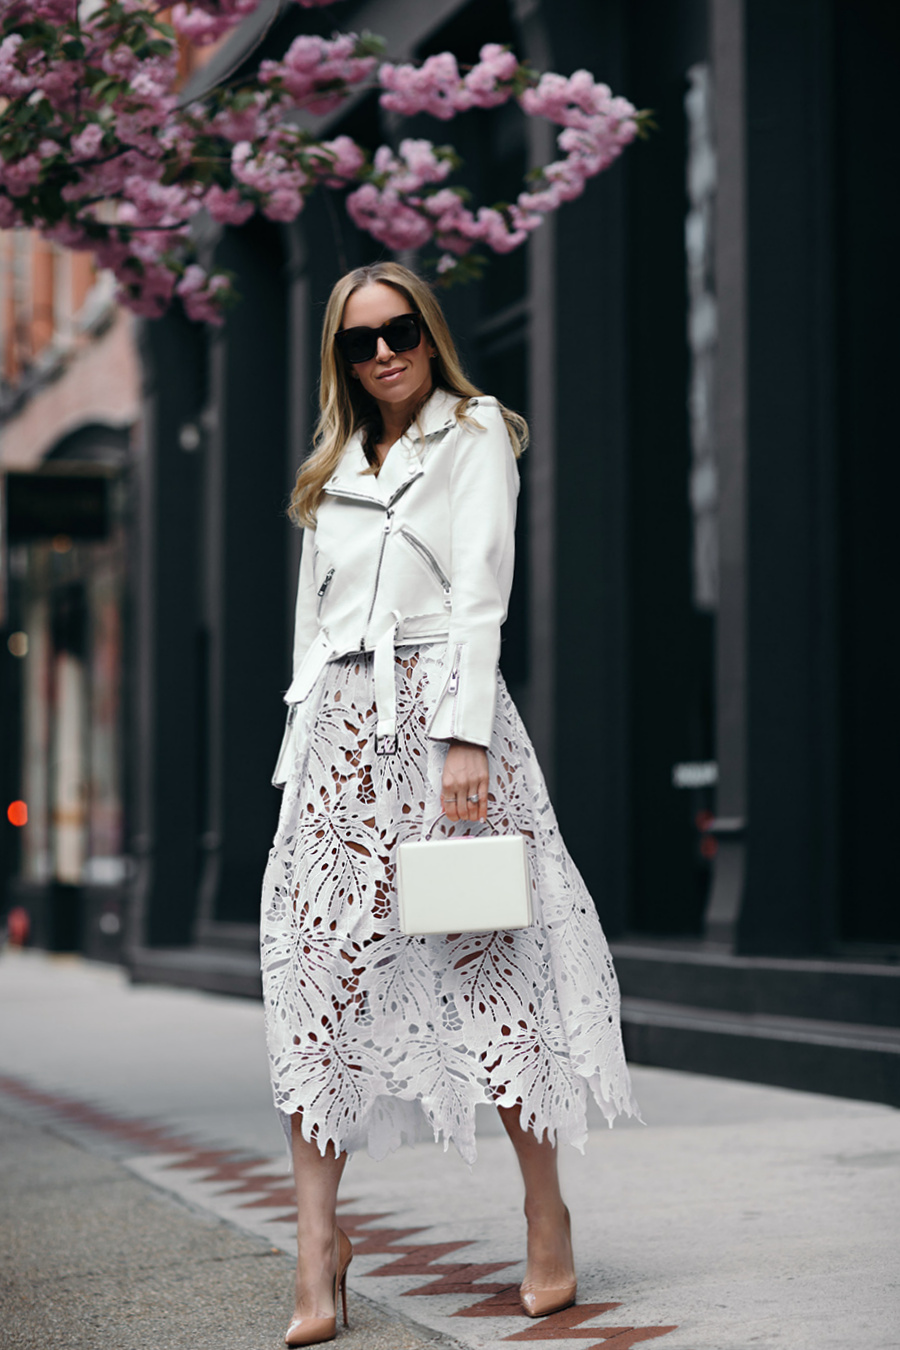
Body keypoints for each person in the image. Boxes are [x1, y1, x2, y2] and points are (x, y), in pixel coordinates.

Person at [260, 261, 639, 1347]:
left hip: (442, 720)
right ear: (338, 359)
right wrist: (302, 757)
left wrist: (464, 734)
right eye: (359, 342)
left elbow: (485, 586)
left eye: (401, 332)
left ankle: (543, 1211)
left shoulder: (474, 431)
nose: (383, 353)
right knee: (315, 974)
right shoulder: (327, 465)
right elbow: (310, 625)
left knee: (487, 955)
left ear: (430, 334)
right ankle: (316, 1248)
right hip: (337, 729)